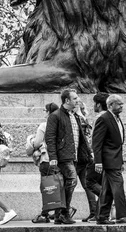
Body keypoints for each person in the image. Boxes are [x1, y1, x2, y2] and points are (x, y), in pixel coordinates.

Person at [44, 89, 92, 225]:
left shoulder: (75, 116)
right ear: (67, 101)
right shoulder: (55, 116)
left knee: (66, 183)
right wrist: (53, 156)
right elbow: (50, 137)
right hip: (62, 156)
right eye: (75, 98)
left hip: (74, 156)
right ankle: (65, 212)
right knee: (72, 179)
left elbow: (81, 138)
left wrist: (89, 153)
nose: (78, 100)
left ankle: (59, 215)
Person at [92, 94, 126, 225]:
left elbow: (117, 142)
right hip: (109, 160)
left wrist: (121, 161)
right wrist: (98, 161)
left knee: (107, 190)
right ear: (110, 105)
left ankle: (102, 216)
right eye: (119, 104)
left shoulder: (116, 118)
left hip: (115, 159)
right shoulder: (104, 118)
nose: (122, 106)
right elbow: (97, 142)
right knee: (118, 187)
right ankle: (122, 216)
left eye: (122, 104)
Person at [27, 102, 59, 223]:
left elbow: (37, 143)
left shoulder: (44, 125)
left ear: (48, 112)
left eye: (45, 110)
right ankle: (58, 213)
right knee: (57, 186)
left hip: (46, 160)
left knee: (47, 187)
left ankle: (45, 214)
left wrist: (31, 140)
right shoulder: (61, 124)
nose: (44, 113)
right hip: (59, 161)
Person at [74, 98, 97, 222]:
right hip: (85, 157)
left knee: (67, 185)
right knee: (87, 185)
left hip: (79, 157)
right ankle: (94, 211)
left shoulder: (79, 120)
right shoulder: (85, 120)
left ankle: (63, 212)